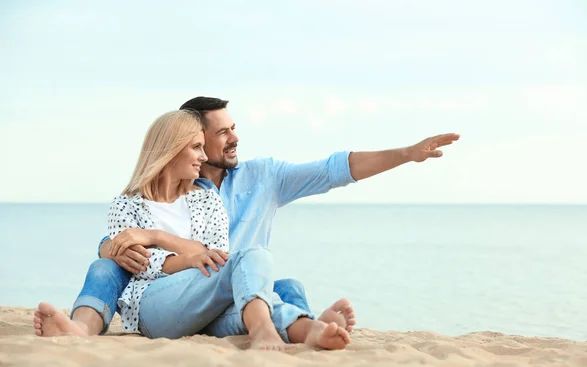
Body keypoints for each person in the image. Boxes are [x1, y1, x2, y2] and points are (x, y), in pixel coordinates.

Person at [35, 96, 459, 339]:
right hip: (183, 294)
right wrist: (120, 244)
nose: (234, 138)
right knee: (108, 263)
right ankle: (299, 323)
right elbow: (123, 246)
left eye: (231, 129)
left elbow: (334, 169)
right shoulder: (172, 192)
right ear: (188, 143)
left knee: (283, 284)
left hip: (233, 287)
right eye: (220, 134)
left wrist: (406, 154)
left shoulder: (260, 178)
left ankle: (305, 326)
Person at [34, 109, 351, 350]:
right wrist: (187, 259)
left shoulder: (208, 202)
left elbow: (218, 258)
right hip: (155, 306)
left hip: (204, 305)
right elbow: (140, 265)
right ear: (171, 149)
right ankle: (273, 328)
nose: (204, 156)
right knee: (246, 264)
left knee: (256, 258)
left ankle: (306, 330)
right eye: (196, 147)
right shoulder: (126, 205)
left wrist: (158, 238)